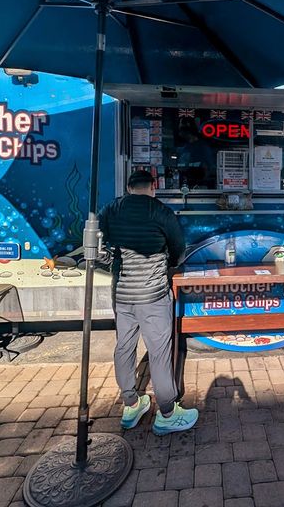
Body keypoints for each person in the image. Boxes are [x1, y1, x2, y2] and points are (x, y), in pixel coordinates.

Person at [99, 169, 198, 435]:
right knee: (159, 352)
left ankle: (131, 404)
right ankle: (166, 412)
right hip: (153, 295)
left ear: (129, 187)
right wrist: (170, 263)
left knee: (124, 347)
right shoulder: (160, 212)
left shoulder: (111, 209)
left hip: (122, 293)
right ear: (152, 187)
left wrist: (113, 263)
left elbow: (98, 246)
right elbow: (178, 248)